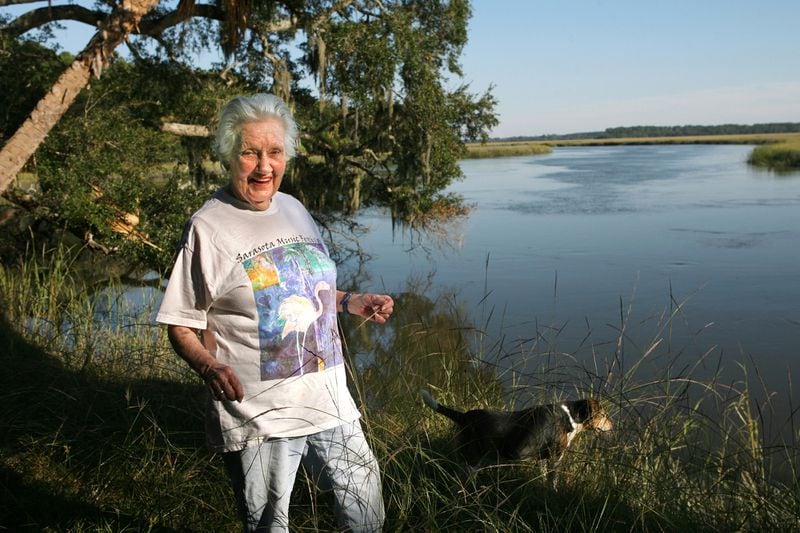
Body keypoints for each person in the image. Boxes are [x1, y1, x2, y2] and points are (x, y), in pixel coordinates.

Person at [155, 93, 394, 532]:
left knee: (366, 514)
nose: (264, 166)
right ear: (229, 155)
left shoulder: (294, 209)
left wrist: (349, 301)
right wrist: (208, 367)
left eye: (275, 152)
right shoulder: (208, 228)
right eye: (250, 152)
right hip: (261, 417)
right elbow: (181, 322)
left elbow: (303, 286)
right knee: (270, 525)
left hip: (330, 399)